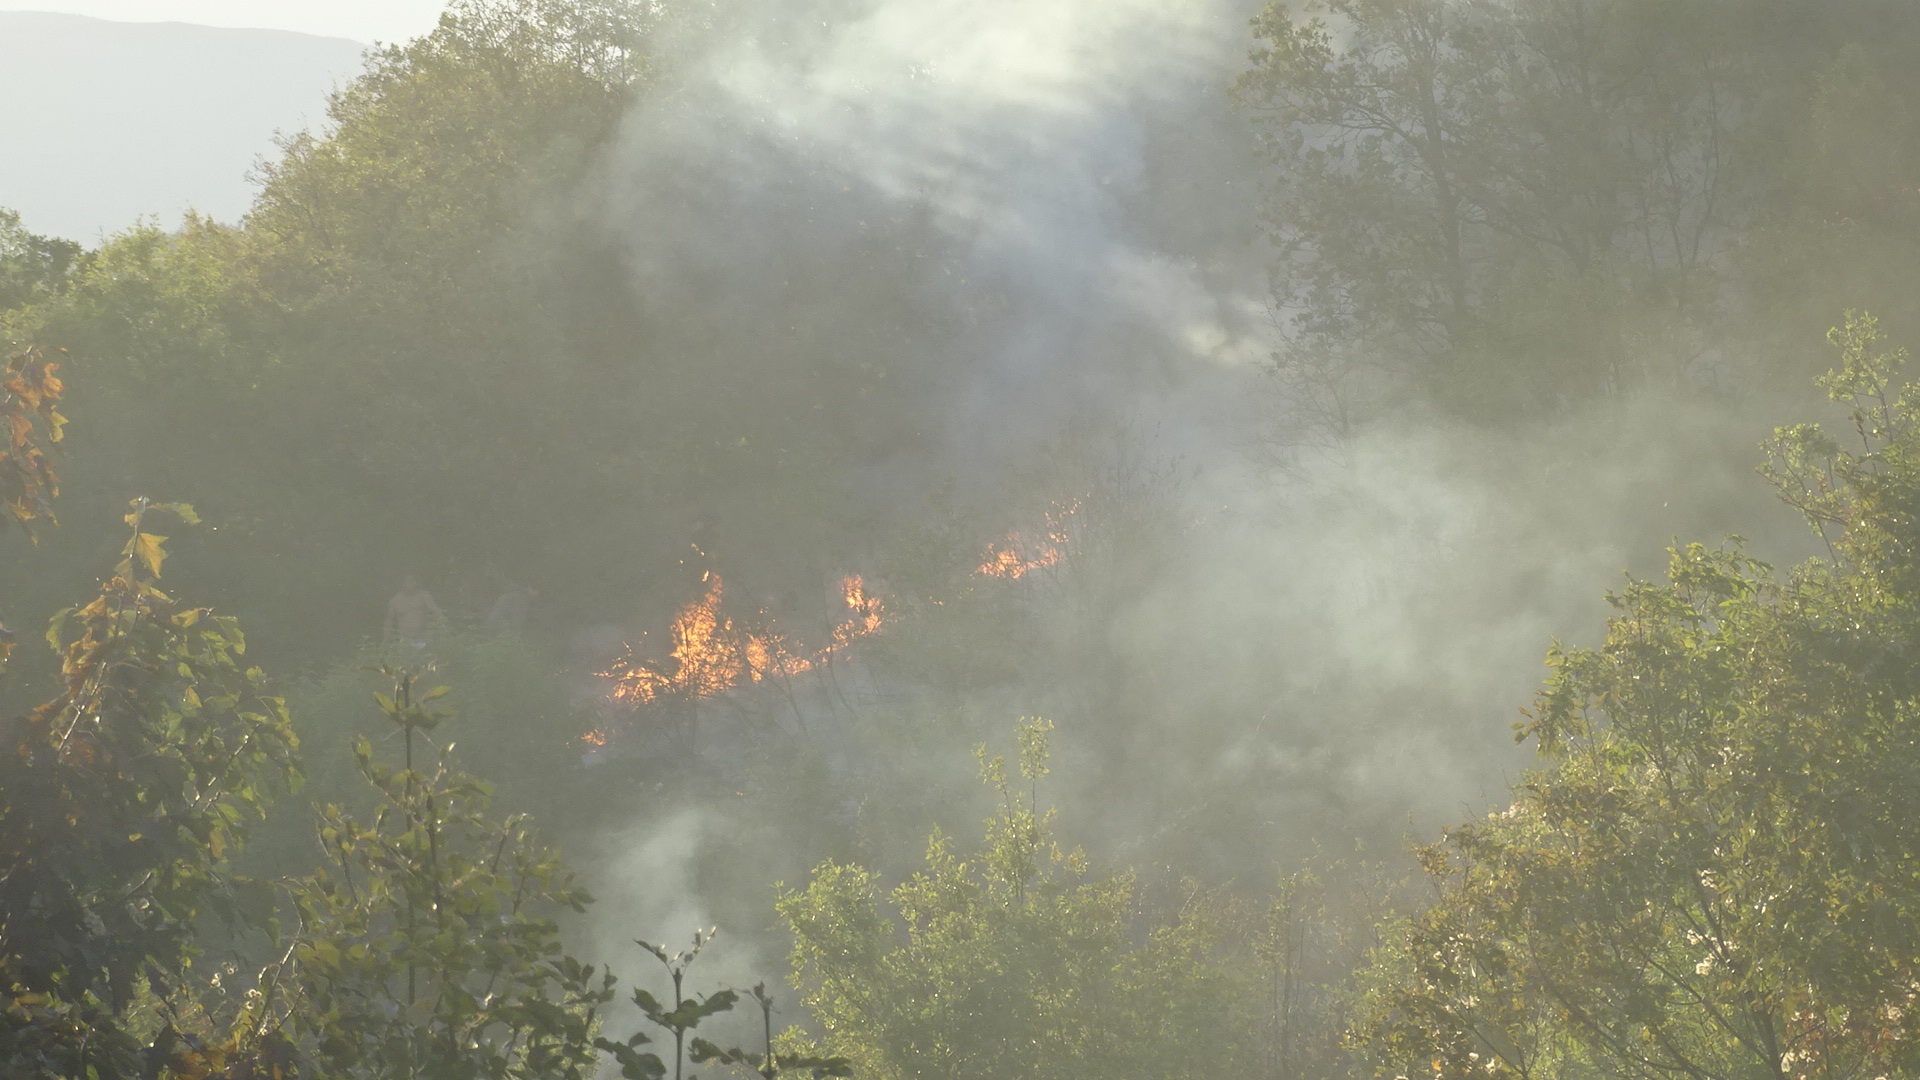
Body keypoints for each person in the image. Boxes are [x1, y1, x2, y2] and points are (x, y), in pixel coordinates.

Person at [384, 575, 444, 648]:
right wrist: (386, 639)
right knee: (406, 657)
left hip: (421, 638)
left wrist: (441, 629)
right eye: (409, 582)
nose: (413, 584)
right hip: (404, 640)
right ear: (403, 584)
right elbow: (389, 620)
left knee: (422, 657)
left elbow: (436, 612)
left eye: (413, 581)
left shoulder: (424, 596)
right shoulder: (395, 600)